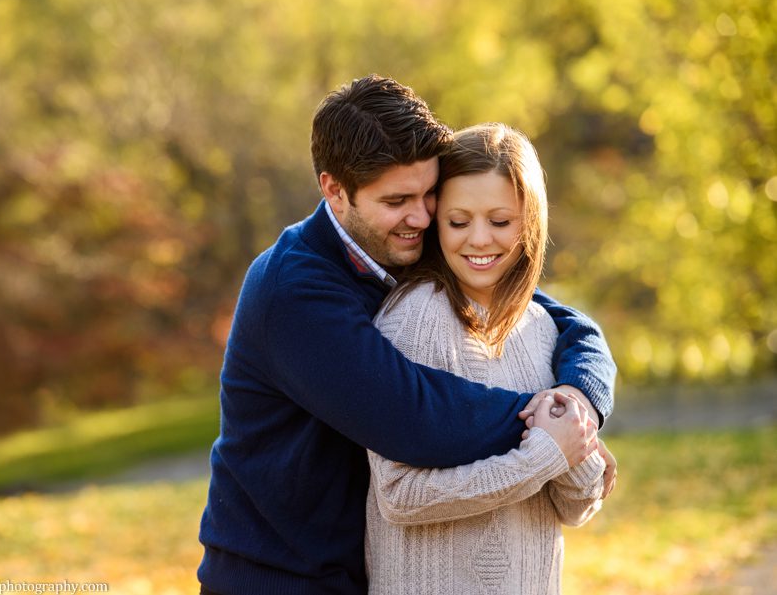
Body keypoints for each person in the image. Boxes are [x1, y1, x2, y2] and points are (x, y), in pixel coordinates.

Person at [197, 75, 617, 595]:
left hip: (355, 571)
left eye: (429, 195)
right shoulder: (294, 291)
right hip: (277, 577)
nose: (419, 217)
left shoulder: (399, 247)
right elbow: (415, 416)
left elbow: (554, 316)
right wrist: (549, 427)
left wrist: (579, 395)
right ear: (334, 190)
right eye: (398, 200)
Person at [365, 123, 609, 595]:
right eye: (459, 221)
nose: (478, 240)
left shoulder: (541, 326)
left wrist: (577, 442)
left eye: (500, 222)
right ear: (436, 222)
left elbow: (575, 508)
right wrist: (545, 454)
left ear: (530, 223)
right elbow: (400, 495)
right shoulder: (414, 319)